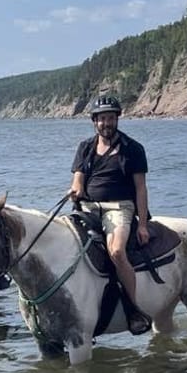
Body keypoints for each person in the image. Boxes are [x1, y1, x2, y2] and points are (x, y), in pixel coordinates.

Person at [68, 94, 152, 335]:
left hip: (120, 207)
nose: (107, 123)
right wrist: (75, 191)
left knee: (116, 251)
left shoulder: (133, 149)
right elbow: (78, 180)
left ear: (117, 119)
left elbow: (140, 189)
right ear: (94, 121)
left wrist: (143, 224)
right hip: (88, 207)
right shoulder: (85, 147)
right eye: (102, 118)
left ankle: (133, 309)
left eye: (111, 118)